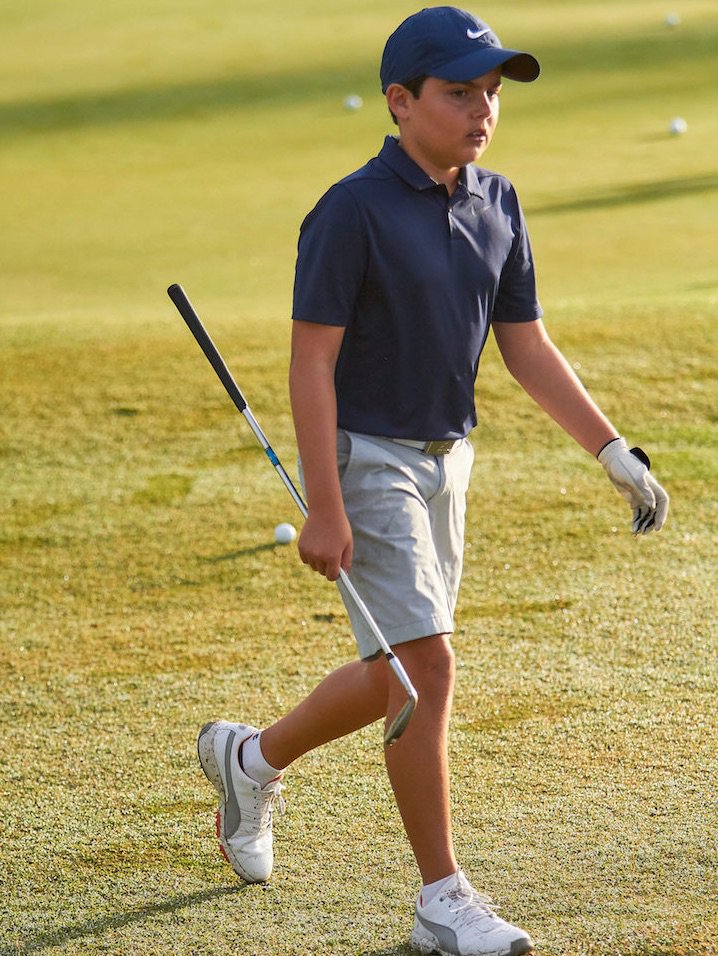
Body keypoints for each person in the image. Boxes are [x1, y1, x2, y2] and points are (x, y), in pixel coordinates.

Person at [197, 7, 670, 955]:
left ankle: (250, 759)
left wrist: (612, 449)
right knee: (428, 669)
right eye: (460, 92)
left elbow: (524, 345)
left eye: (491, 92)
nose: (483, 109)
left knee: (394, 675)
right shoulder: (350, 210)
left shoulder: (498, 200)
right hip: (365, 459)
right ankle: (441, 900)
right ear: (400, 102)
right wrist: (325, 508)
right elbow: (311, 365)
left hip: (449, 458)